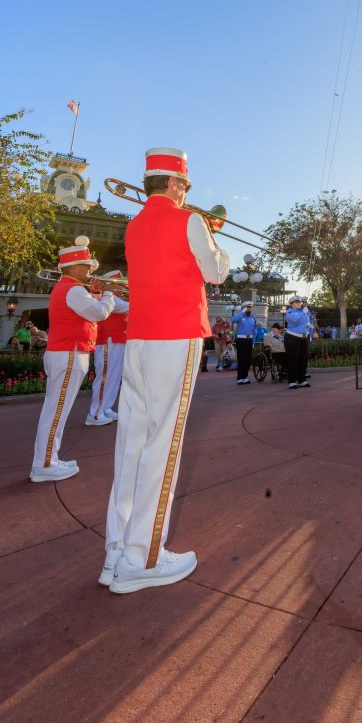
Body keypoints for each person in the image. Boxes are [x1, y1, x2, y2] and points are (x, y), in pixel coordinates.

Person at [103, 147, 230, 594]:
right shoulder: (189, 221)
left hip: (138, 338)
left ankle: (117, 549)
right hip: (176, 337)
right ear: (175, 183)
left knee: (132, 441)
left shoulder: (134, 225)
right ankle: (144, 557)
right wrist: (216, 241)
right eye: (186, 186)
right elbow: (215, 273)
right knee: (164, 443)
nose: (186, 193)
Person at [29, 237, 116, 483]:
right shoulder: (74, 289)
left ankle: (49, 459)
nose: (90, 271)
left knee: (55, 410)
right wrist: (108, 294)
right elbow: (99, 313)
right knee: (56, 412)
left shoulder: (69, 288)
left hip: (66, 353)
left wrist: (99, 293)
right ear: (75, 266)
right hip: (68, 354)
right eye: (88, 266)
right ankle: (44, 464)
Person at [87, 274, 129, 424]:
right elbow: (125, 307)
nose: (122, 287)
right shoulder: (105, 296)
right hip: (107, 341)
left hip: (117, 339)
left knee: (114, 377)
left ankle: (106, 408)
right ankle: (95, 413)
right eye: (119, 283)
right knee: (105, 377)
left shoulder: (114, 297)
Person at [284, 295, 312, 388]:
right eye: (297, 302)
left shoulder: (302, 312)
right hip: (293, 338)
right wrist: (303, 313)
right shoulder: (290, 312)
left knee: (303, 360)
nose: (300, 303)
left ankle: (302, 380)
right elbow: (294, 320)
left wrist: (309, 326)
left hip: (304, 338)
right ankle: (292, 381)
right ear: (292, 304)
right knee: (293, 360)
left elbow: (305, 322)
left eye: (300, 302)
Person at [231, 302, 258, 385]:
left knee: (247, 360)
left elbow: (255, 330)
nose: (249, 309)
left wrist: (253, 341)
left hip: (249, 340)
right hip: (241, 340)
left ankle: (245, 377)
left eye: (250, 307)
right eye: (247, 307)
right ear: (243, 308)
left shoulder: (252, 318)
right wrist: (242, 312)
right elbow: (233, 319)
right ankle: (240, 378)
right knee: (241, 359)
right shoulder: (240, 316)